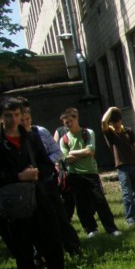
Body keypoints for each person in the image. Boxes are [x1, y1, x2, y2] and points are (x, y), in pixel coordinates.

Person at [1, 97, 69, 269]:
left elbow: (46, 164)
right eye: (8, 115)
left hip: (38, 195)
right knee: (23, 250)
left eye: (17, 115)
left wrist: (37, 171)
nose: (13, 119)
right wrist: (18, 176)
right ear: (1, 117)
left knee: (53, 242)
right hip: (13, 202)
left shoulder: (31, 138)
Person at [20, 104, 82, 256]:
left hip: (46, 180)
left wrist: (44, 164)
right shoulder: (13, 138)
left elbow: (57, 152)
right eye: (22, 120)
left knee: (59, 215)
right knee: (35, 220)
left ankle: (73, 248)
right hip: (26, 185)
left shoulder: (39, 132)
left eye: (27, 119)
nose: (25, 122)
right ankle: (40, 253)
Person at [58, 107, 121, 237]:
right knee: (82, 204)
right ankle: (91, 229)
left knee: (100, 201)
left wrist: (72, 153)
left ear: (76, 118)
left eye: (70, 121)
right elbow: (65, 159)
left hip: (90, 173)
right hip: (74, 175)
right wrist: (81, 153)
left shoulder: (88, 132)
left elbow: (90, 151)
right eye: (66, 123)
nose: (68, 124)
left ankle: (111, 228)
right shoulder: (63, 139)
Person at [101, 107, 135, 226]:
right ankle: (130, 219)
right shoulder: (110, 133)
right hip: (122, 166)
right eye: (113, 122)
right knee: (127, 193)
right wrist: (111, 109)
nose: (116, 124)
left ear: (121, 120)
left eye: (117, 121)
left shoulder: (128, 131)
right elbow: (103, 122)